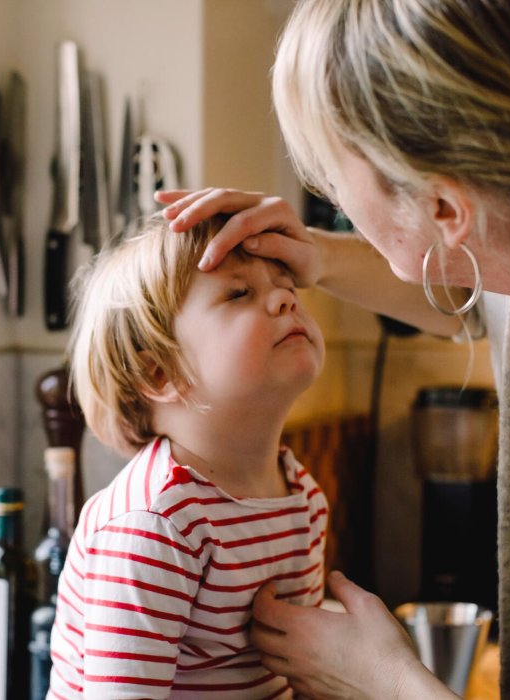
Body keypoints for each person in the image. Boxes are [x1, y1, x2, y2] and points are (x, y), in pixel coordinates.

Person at [156, 0, 510, 698]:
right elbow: (482, 287)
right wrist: (318, 256)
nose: (329, 195)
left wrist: (385, 682)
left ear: (448, 209)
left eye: (335, 174)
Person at [49, 214, 329, 698]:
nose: (286, 298)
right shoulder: (157, 523)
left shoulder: (302, 496)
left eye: (287, 288)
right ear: (159, 373)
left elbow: (303, 676)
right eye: (239, 293)